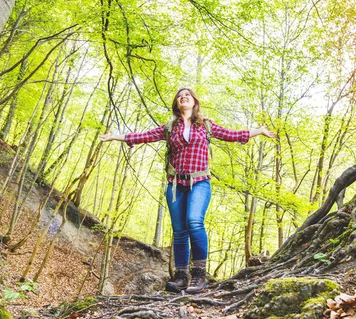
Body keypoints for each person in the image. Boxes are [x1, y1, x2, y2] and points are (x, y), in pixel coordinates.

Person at [100, 88, 275, 294]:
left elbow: (233, 135)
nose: (184, 97)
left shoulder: (206, 126)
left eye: (188, 95)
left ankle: (199, 274)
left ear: (194, 102)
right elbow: (143, 136)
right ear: (176, 103)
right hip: (175, 185)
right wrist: (115, 137)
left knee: (194, 221)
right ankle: (181, 276)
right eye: (180, 95)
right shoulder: (169, 128)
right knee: (180, 230)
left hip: (200, 182)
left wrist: (259, 131)